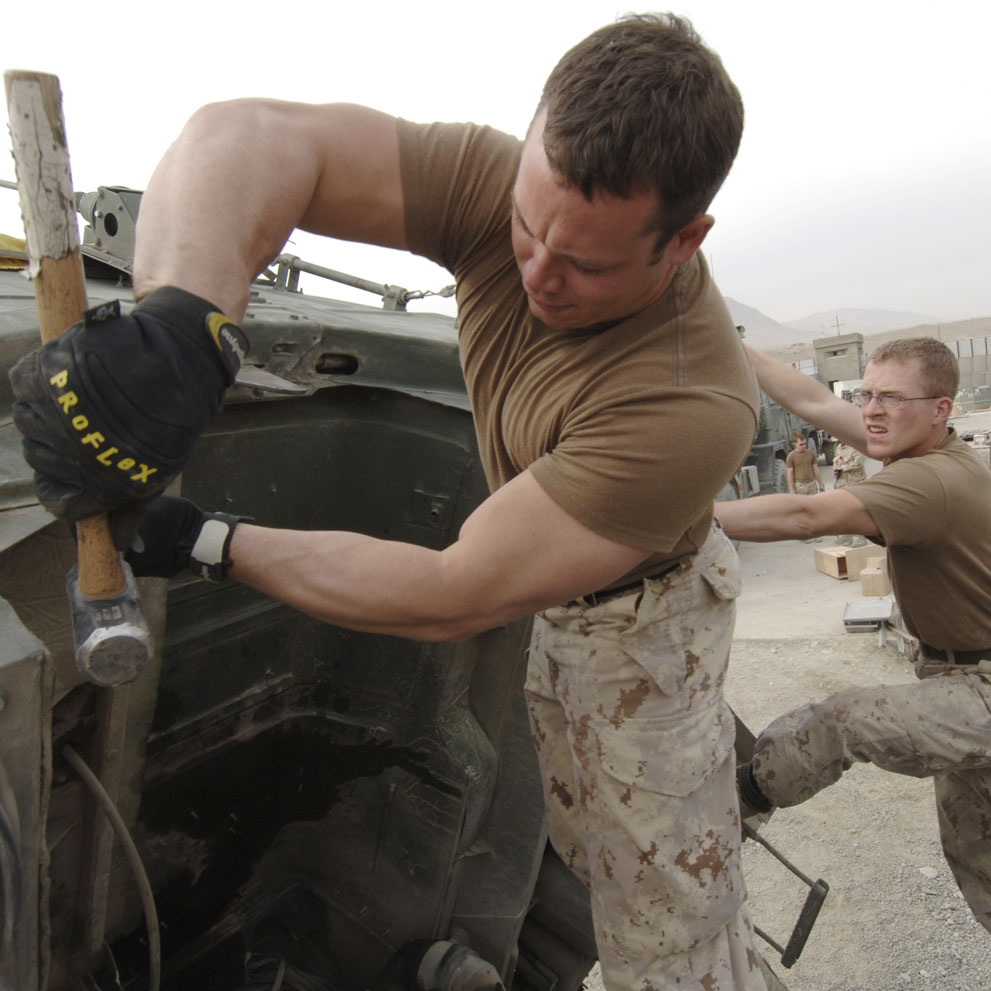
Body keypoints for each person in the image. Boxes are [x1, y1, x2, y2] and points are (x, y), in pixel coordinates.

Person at [10, 15, 773, 991]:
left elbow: (453, 593)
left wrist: (201, 538)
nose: (537, 274)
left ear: (685, 240)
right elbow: (244, 133)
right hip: (550, 590)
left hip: (643, 633)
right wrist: (180, 325)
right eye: (525, 228)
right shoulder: (511, 188)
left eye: (585, 264)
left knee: (667, 920)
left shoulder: (686, 404)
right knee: (582, 836)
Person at [714, 338, 991, 933]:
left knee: (843, 720)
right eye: (866, 395)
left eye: (891, 398)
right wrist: (731, 343)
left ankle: (741, 799)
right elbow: (815, 401)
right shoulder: (919, 446)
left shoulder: (930, 482)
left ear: (941, 409)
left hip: (981, 685)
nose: (872, 410)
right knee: (975, 850)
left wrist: (677, 520)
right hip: (954, 673)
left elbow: (805, 515)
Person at [829, 441, 867, 545]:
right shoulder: (838, 448)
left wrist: (843, 467)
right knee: (845, 511)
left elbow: (858, 463)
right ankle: (847, 536)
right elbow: (836, 461)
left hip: (855, 484)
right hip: (843, 484)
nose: (838, 441)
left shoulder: (855, 446)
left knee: (857, 511)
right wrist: (836, 468)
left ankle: (861, 537)